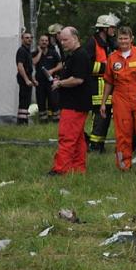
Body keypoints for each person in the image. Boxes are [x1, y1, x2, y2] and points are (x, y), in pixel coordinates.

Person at [100, 26, 136, 171]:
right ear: (117, 39)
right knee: (123, 134)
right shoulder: (112, 57)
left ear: (131, 39)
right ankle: (123, 166)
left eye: (126, 38)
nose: (123, 41)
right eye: (120, 38)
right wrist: (103, 103)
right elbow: (109, 81)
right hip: (121, 98)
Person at [48, 27, 92, 175]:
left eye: (66, 40)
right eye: (61, 40)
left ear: (75, 38)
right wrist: (60, 79)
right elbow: (71, 76)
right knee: (78, 138)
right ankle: (79, 169)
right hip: (74, 103)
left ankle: (60, 169)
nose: (63, 43)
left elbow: (78, 79)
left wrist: (59, 83)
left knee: (66, 137)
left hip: (75, 104)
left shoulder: (80, 55)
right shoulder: (72, 56)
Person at [85, 14, 119, 152]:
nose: (114, 30)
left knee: (105, 118)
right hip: (96, 87)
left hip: (108, 86)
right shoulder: (92, 43)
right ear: (104, 28)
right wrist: (106, 67)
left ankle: (100, 144)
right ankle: (94, 145)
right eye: (112, 27)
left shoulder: (110, 43)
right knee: (99, 117)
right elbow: (86, 65)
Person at [34, 34, 62, 123]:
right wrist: (39, 52)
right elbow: (34, 62)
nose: (44, 42)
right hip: (39, 82)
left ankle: (56, 120)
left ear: (48, 42)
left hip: (51, 81)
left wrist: (52, 70)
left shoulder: (53, 52)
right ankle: (43, 121)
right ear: (39, 42)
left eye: (46, 41)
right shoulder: (35, 52)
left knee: (54, 101)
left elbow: (60, 65)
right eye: (42, 40)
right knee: (41, 101)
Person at [15, 31, 37, 124]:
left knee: (27, 100)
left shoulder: (28, 51)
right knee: (24, 99)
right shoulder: (21, 50)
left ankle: (24, 119)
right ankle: (21, 121)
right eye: (27, 38)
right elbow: (20, 66)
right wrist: (26, 80)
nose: (29, 39)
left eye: (30, 38)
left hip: (28, 78)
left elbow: (30, 68)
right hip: (23, 79)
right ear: (22, 39)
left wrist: (33, 79)